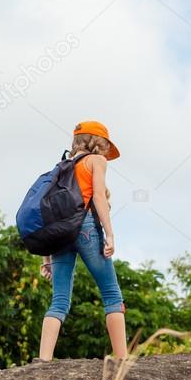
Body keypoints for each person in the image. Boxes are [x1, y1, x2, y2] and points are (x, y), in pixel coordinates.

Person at [37, 121, 127, 362]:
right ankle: (122, 359)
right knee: (112, 294)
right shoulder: (96, 161)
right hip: (86, 227)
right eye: (106, 145)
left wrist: (46, 259)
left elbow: (48, 211)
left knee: (59, 300)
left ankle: (43, 360)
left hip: (59, 234)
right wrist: (109, 234)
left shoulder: (61, 167)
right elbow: (97, 196)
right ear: (98, 142)